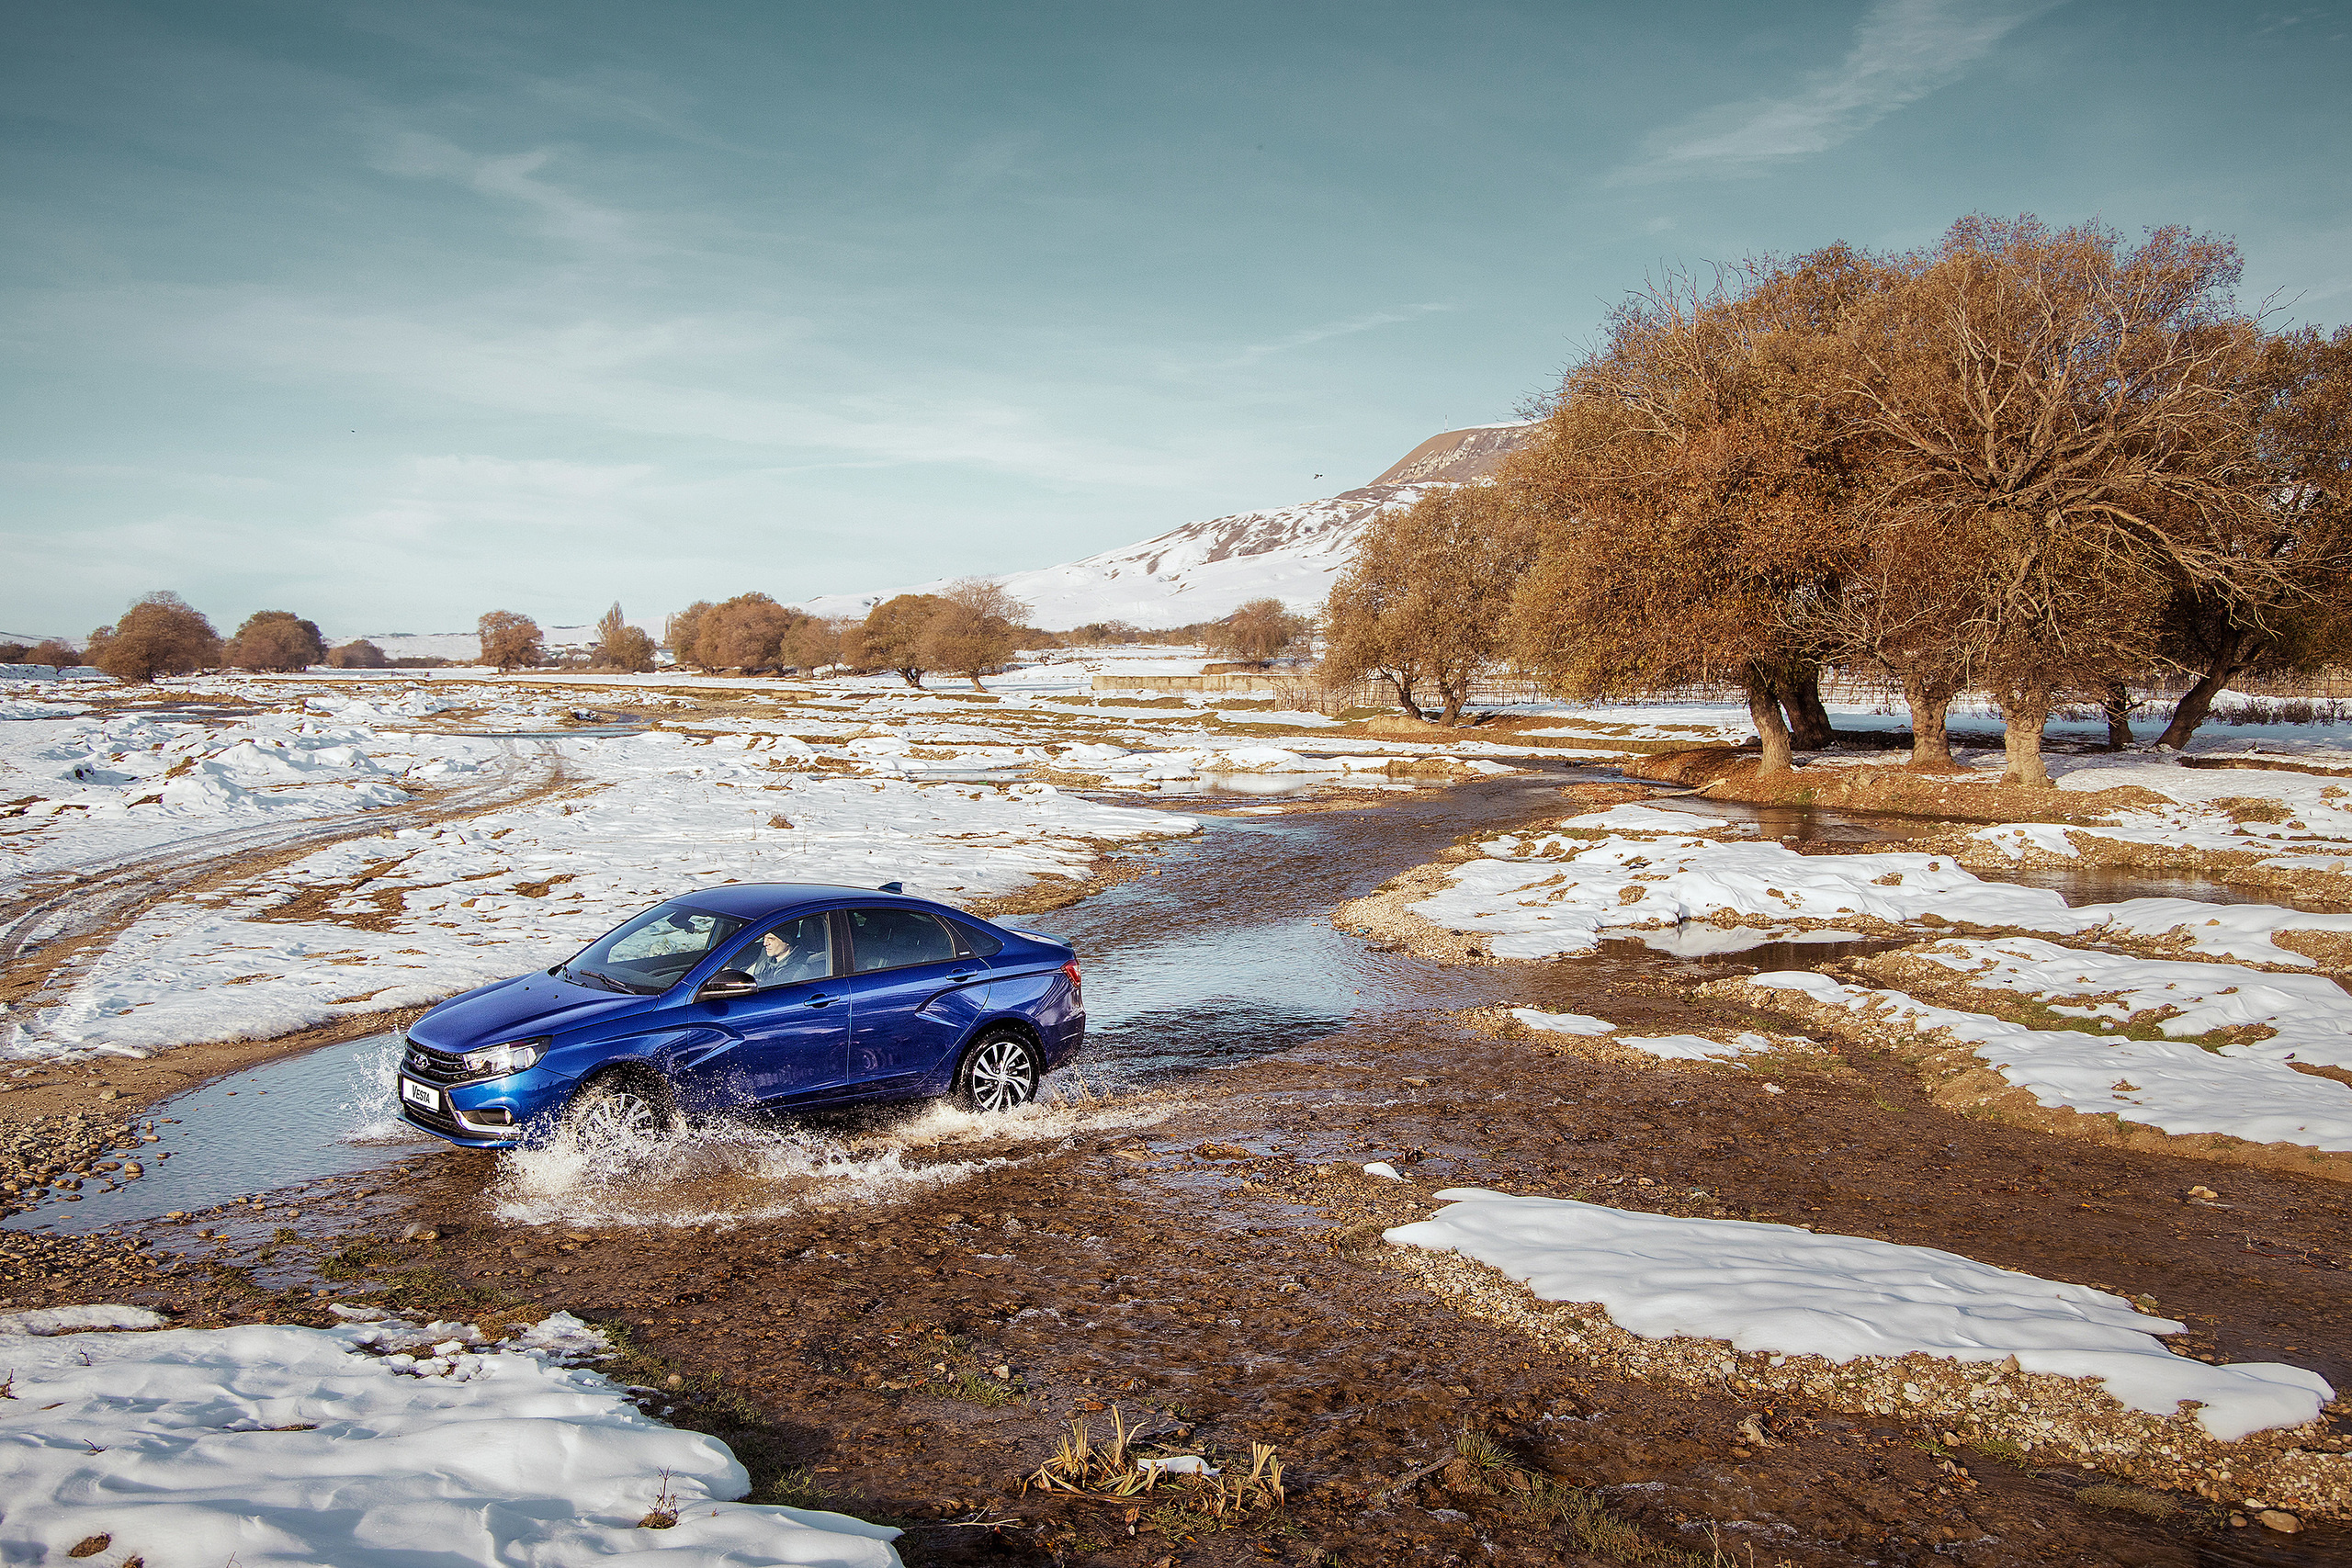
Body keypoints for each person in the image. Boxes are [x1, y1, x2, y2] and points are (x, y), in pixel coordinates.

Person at [748, 921, 827, 987]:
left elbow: (774, 989)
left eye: (771, 939)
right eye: (764, 938)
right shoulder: (766, 961)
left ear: (787, 942)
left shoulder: (799, 969)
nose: (765, 943)